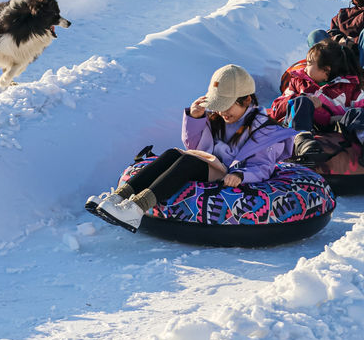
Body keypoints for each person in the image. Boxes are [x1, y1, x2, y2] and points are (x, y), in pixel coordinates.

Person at [87, 64, 295, 232]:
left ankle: (137, 208)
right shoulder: (220, 119)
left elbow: (263, 166)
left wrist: (242, 175)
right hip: (208, 163)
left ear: (247, 100)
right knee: (171, 154)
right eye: (218, 105)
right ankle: (118, 198)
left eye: (227, 105)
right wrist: (195, 119)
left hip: (227, 172)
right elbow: (195, 146)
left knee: (189, 161)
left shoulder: (264, 130)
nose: (222, 112)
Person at [269, 38, 364, 168]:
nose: (305, 67)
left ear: (326, 71)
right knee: (302, 102)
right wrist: (300, 101)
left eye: (310, 64)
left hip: (333, 125)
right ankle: (302, 143)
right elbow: (276, 108)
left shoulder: (347, 88)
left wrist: (344, 116)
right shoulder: (298, 83)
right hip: (301, 122)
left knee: (356, 112)